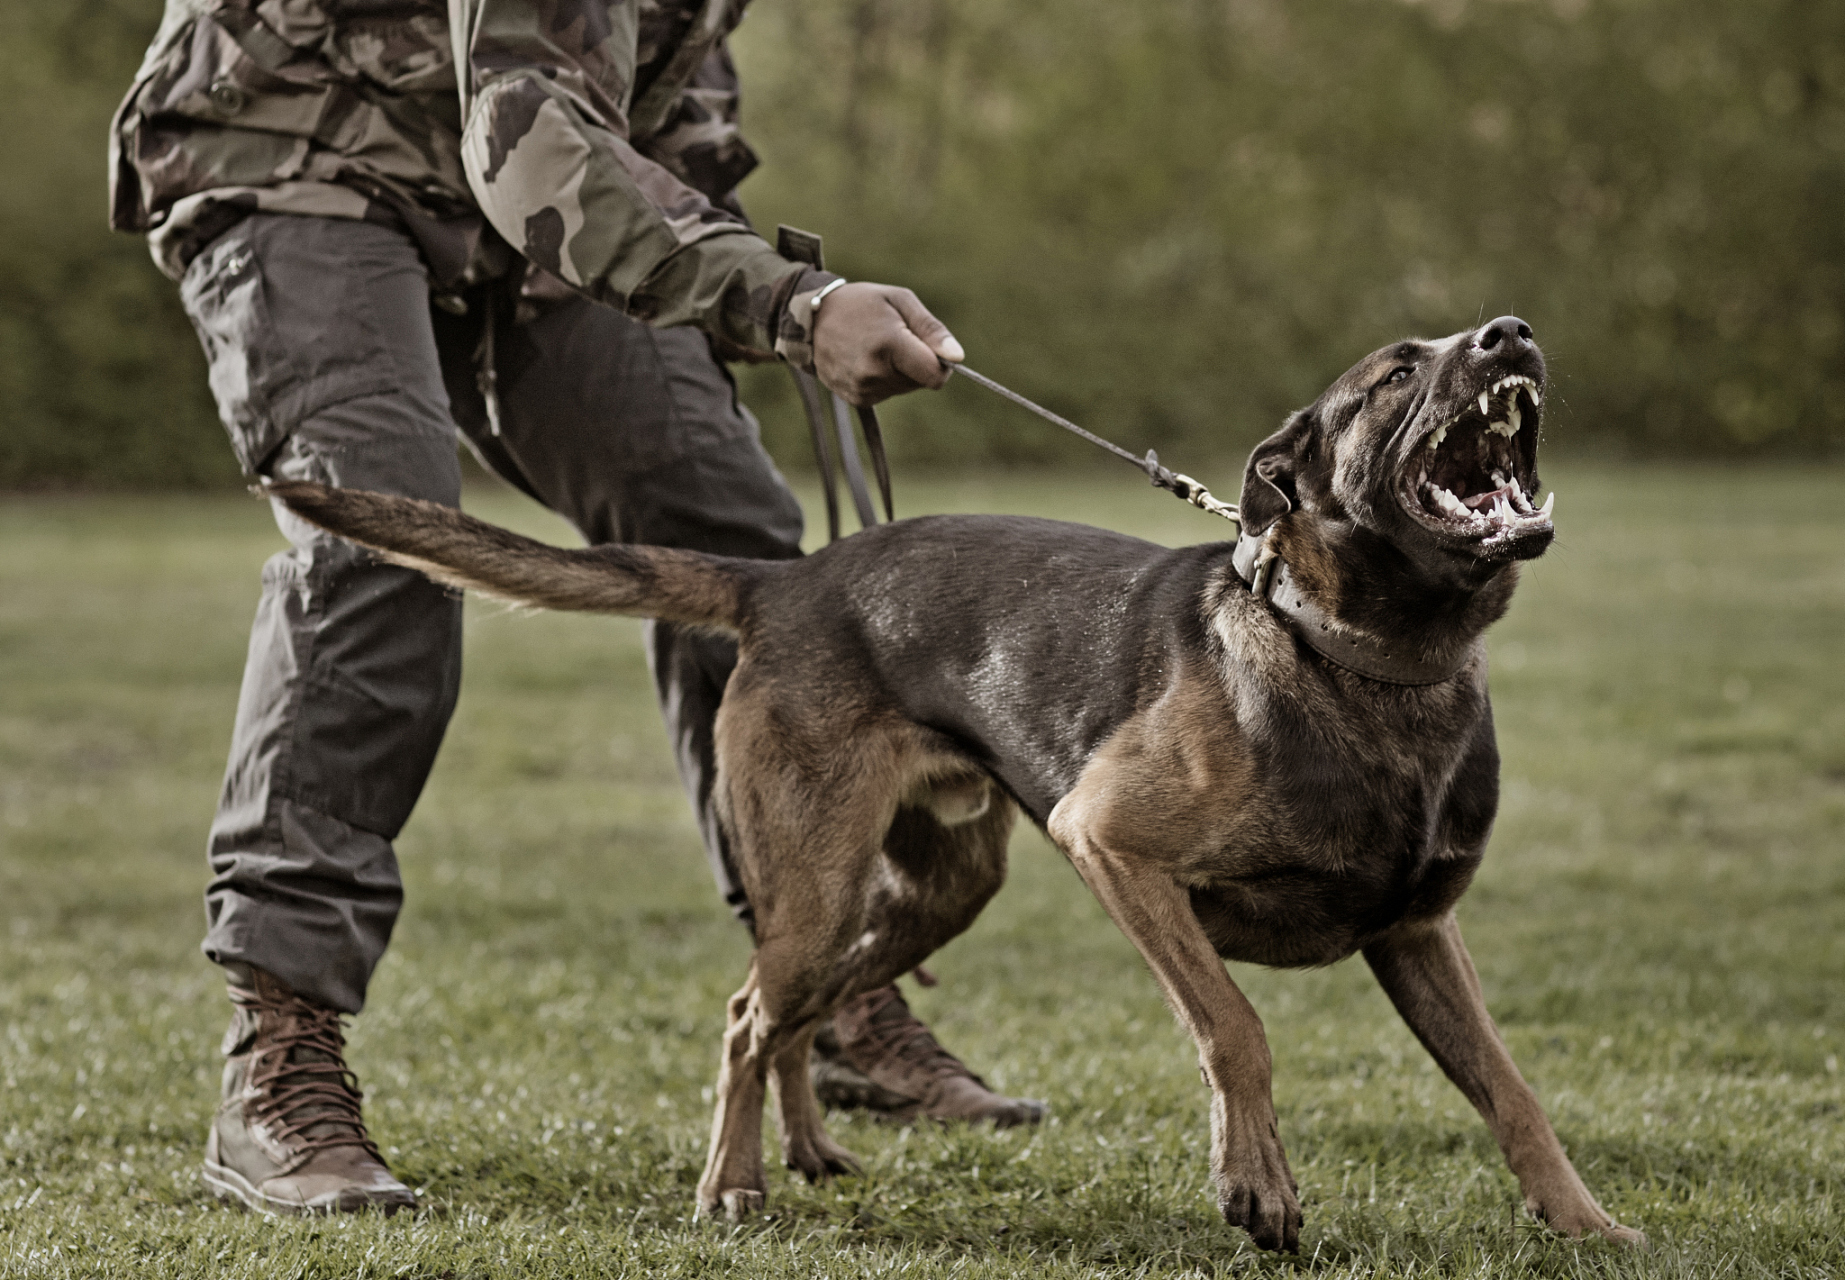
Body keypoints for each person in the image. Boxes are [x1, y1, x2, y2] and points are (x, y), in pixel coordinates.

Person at [110, 0, 1042, 1217]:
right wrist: (792, 304)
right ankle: (276, 1052)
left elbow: (671, 118)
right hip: (294, 152)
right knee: (381, 551)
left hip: (528, 210)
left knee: (744, 551)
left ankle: (820, 985)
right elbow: (529, 138)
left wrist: (755, 296)